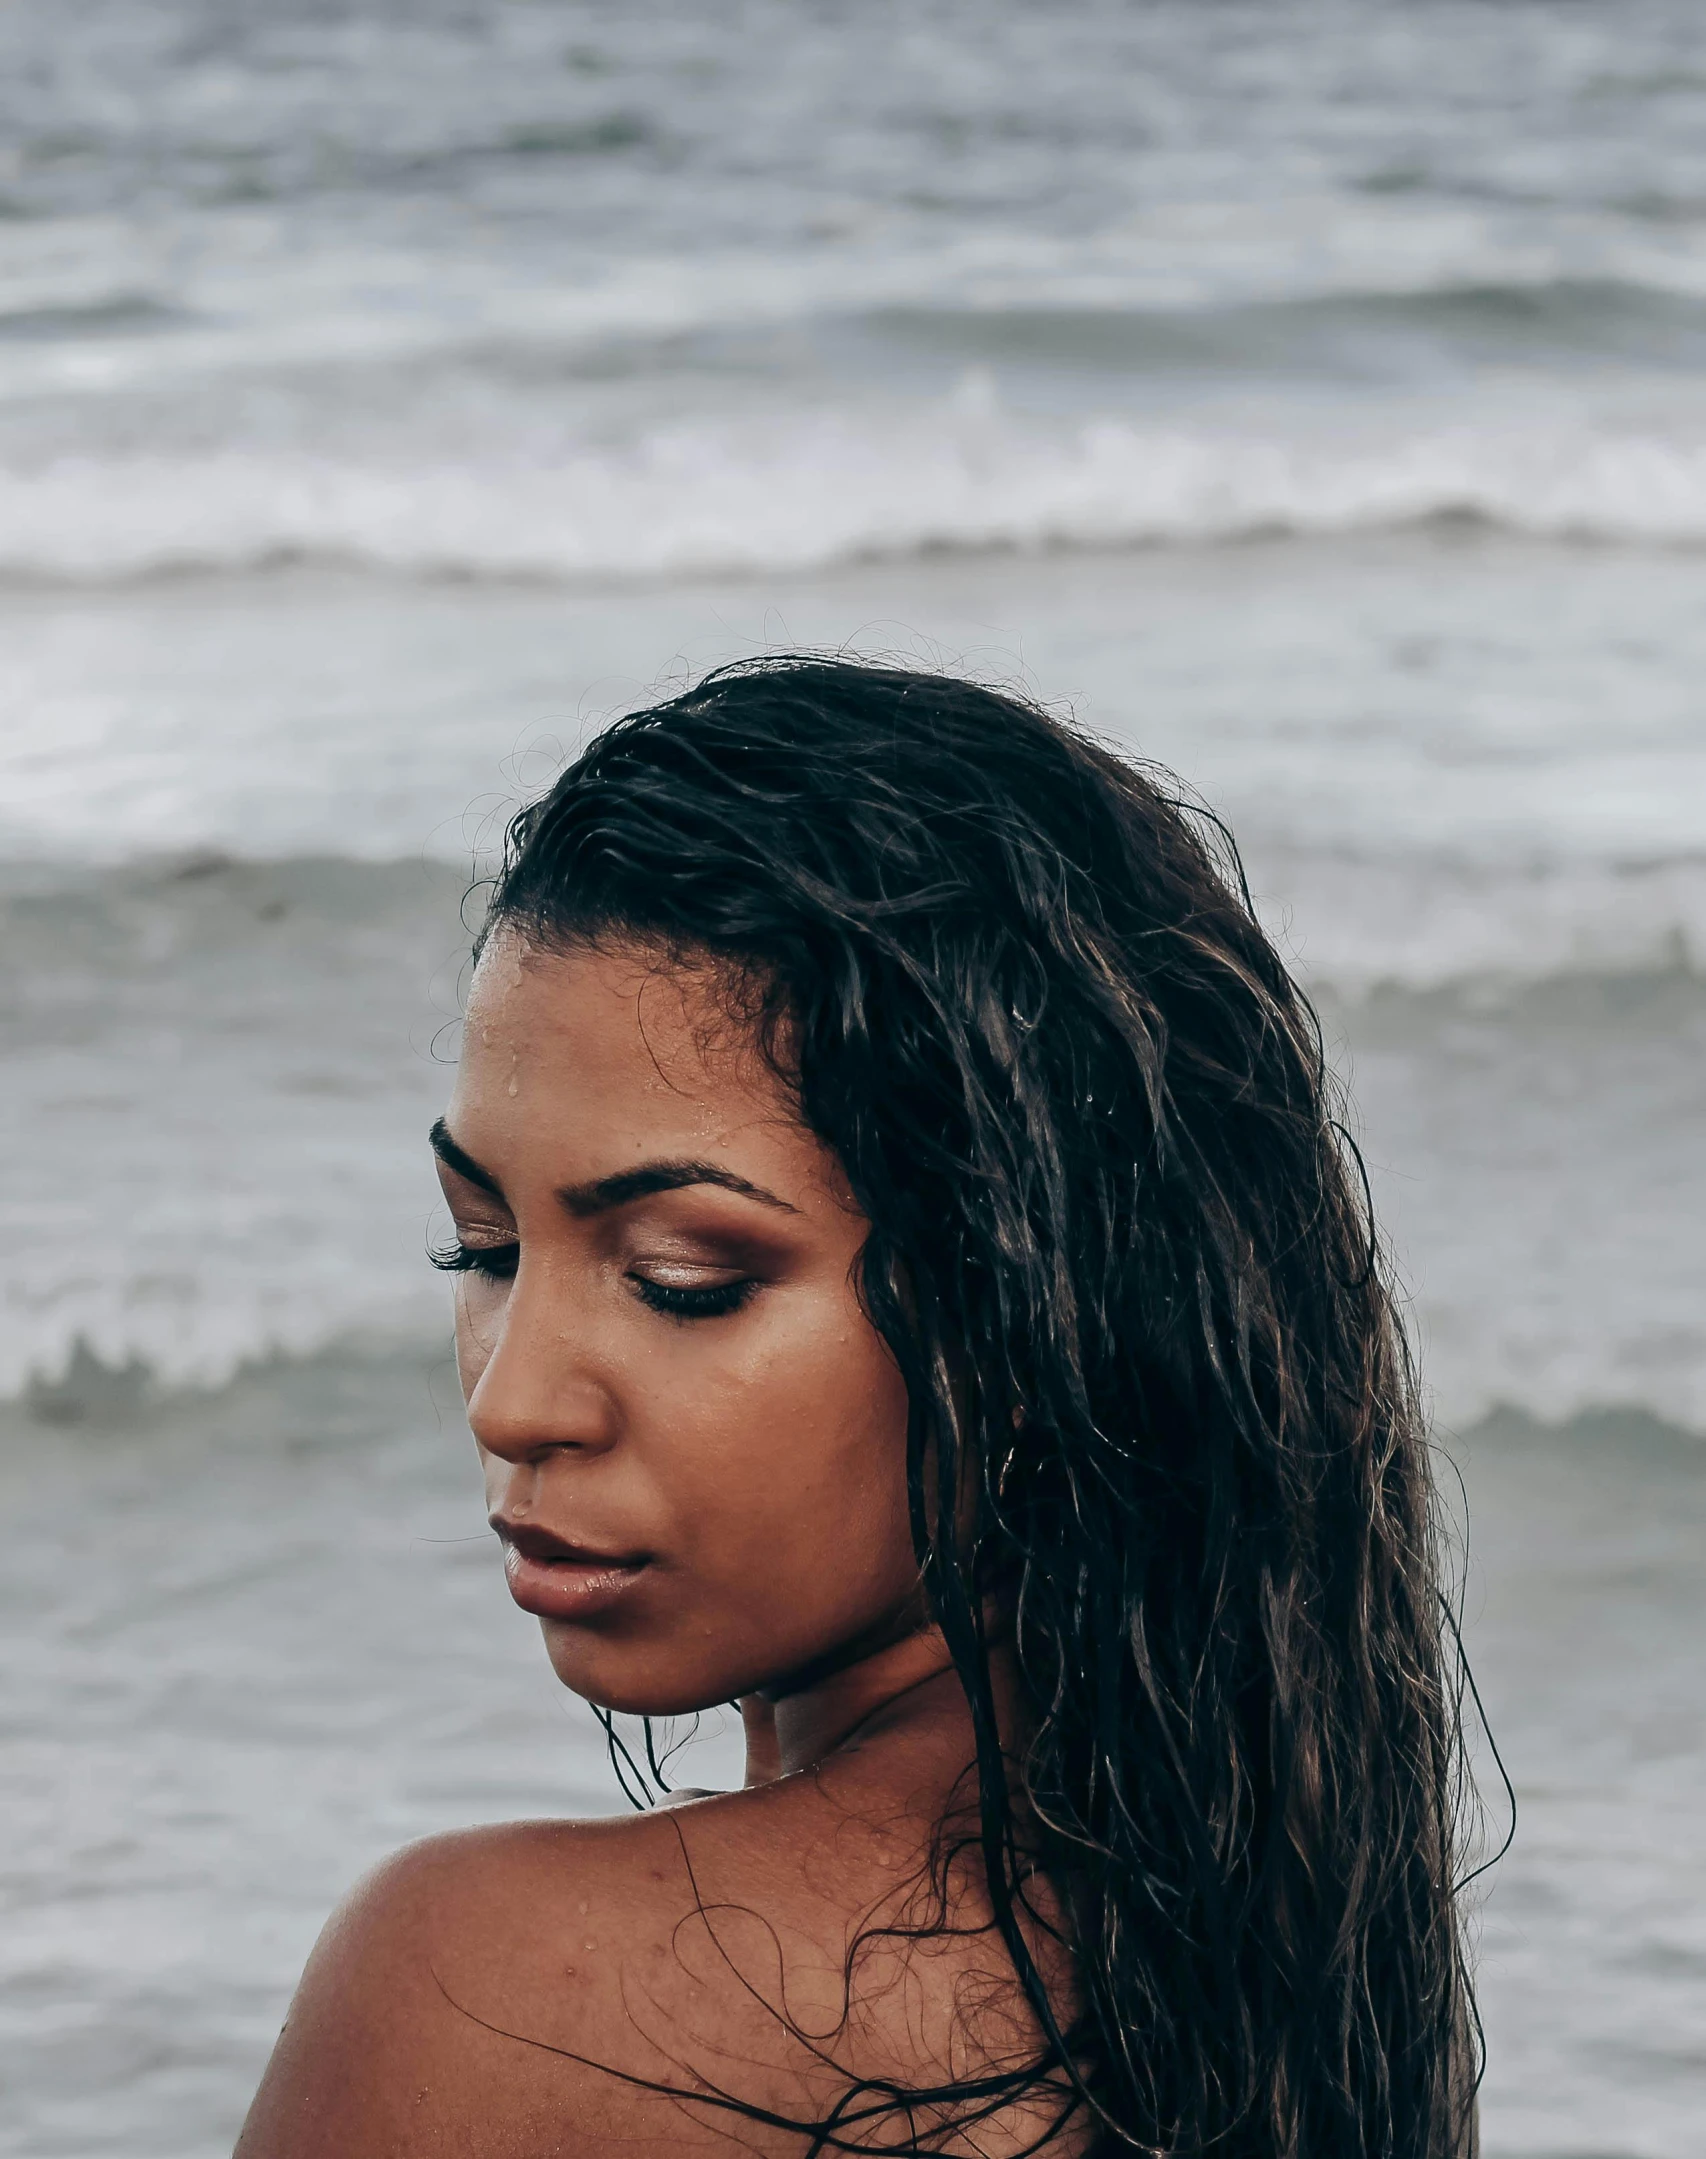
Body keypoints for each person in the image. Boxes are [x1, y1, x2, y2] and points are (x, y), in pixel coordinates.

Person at [237, 659, 1479, 2158]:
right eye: (484, 1248)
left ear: (1035, 1317)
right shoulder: (1285, 1974)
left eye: (682, 1275)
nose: (514, 1402)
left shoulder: (487, 1992)